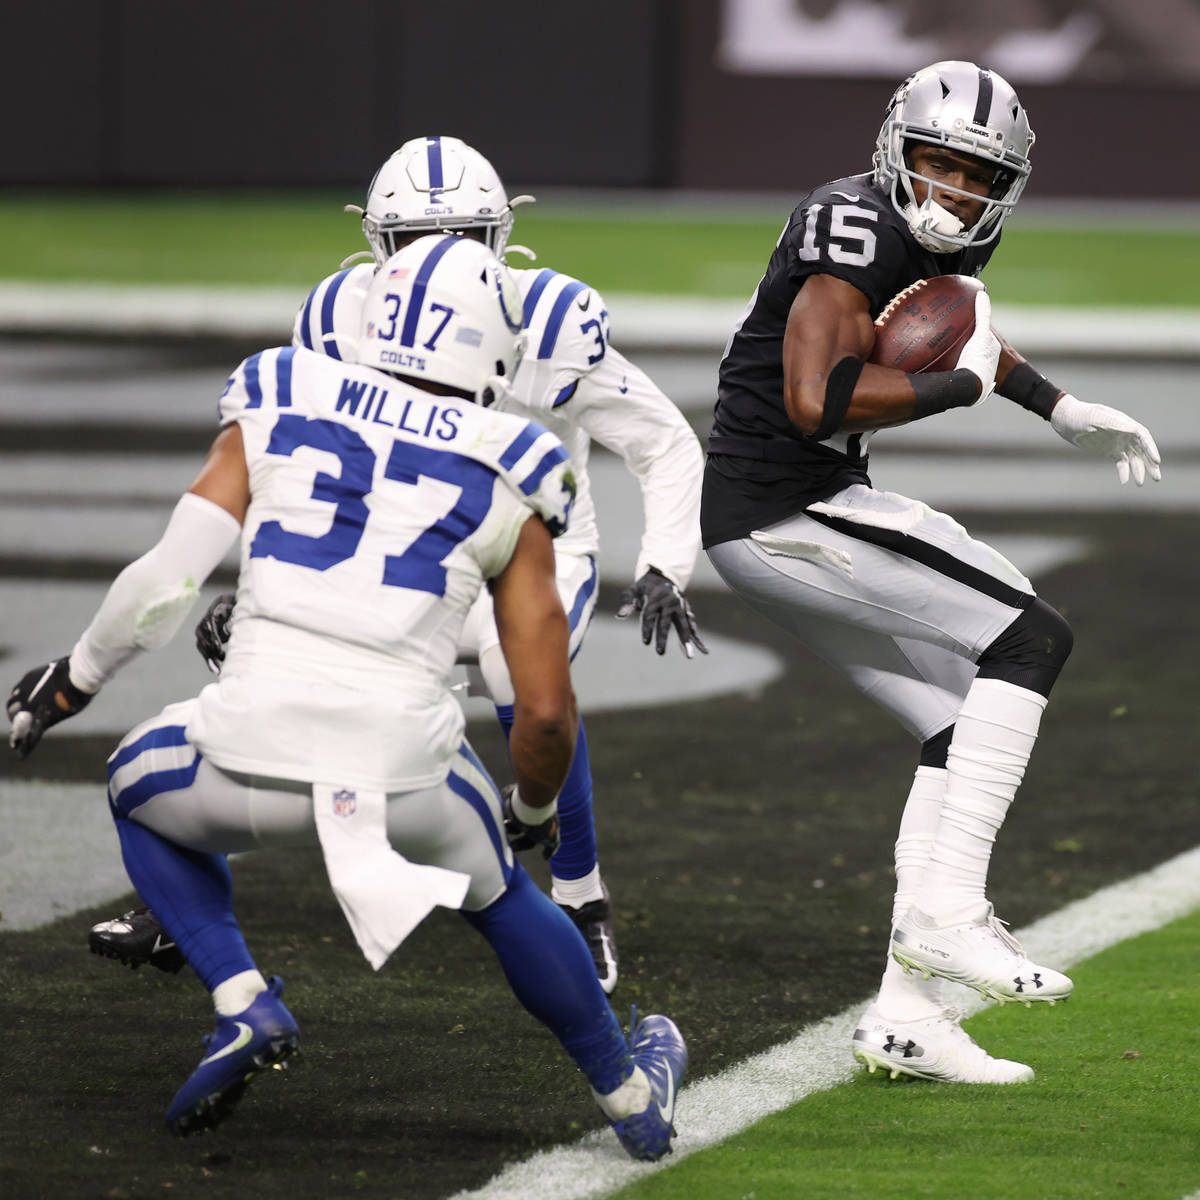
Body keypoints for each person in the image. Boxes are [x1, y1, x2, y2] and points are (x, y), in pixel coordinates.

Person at [8, 235, 687, 1155]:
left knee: (135, 782)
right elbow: (544, 708)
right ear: (493, 342)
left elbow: (165, 583)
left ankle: (241, 998)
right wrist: (531, 807)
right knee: (502, 898)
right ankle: (630, 1100)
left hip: (237, 750)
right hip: (405, 778)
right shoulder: (514, 461)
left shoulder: (280, 393)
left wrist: (74, 682)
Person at [90, 135, 708, 994]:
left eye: (458, 236)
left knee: (511, 668)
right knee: (265, 661)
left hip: (527, 547)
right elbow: (296, 464)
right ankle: (181, 891)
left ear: (499, 238)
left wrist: (666, 563)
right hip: (389, 544)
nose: (437, 263)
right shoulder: (337, 315)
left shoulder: (552, 323)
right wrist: (255, 581)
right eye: (418, 241)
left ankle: (579, 896)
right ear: (378, 244)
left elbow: (665, 443)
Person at [700, 60, 1161, 1084]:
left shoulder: (933, 234)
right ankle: (950, 913)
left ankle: (909, 1017)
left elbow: (967, 332)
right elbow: (817, 400)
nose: (955, 192)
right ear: (894, 153)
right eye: (938, 167)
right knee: (1031, 634)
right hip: (790, 509)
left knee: (956, 725)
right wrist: (953, 388)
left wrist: (1058, 407)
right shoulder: (850, 226)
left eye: (976, 177)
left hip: (800, 508)